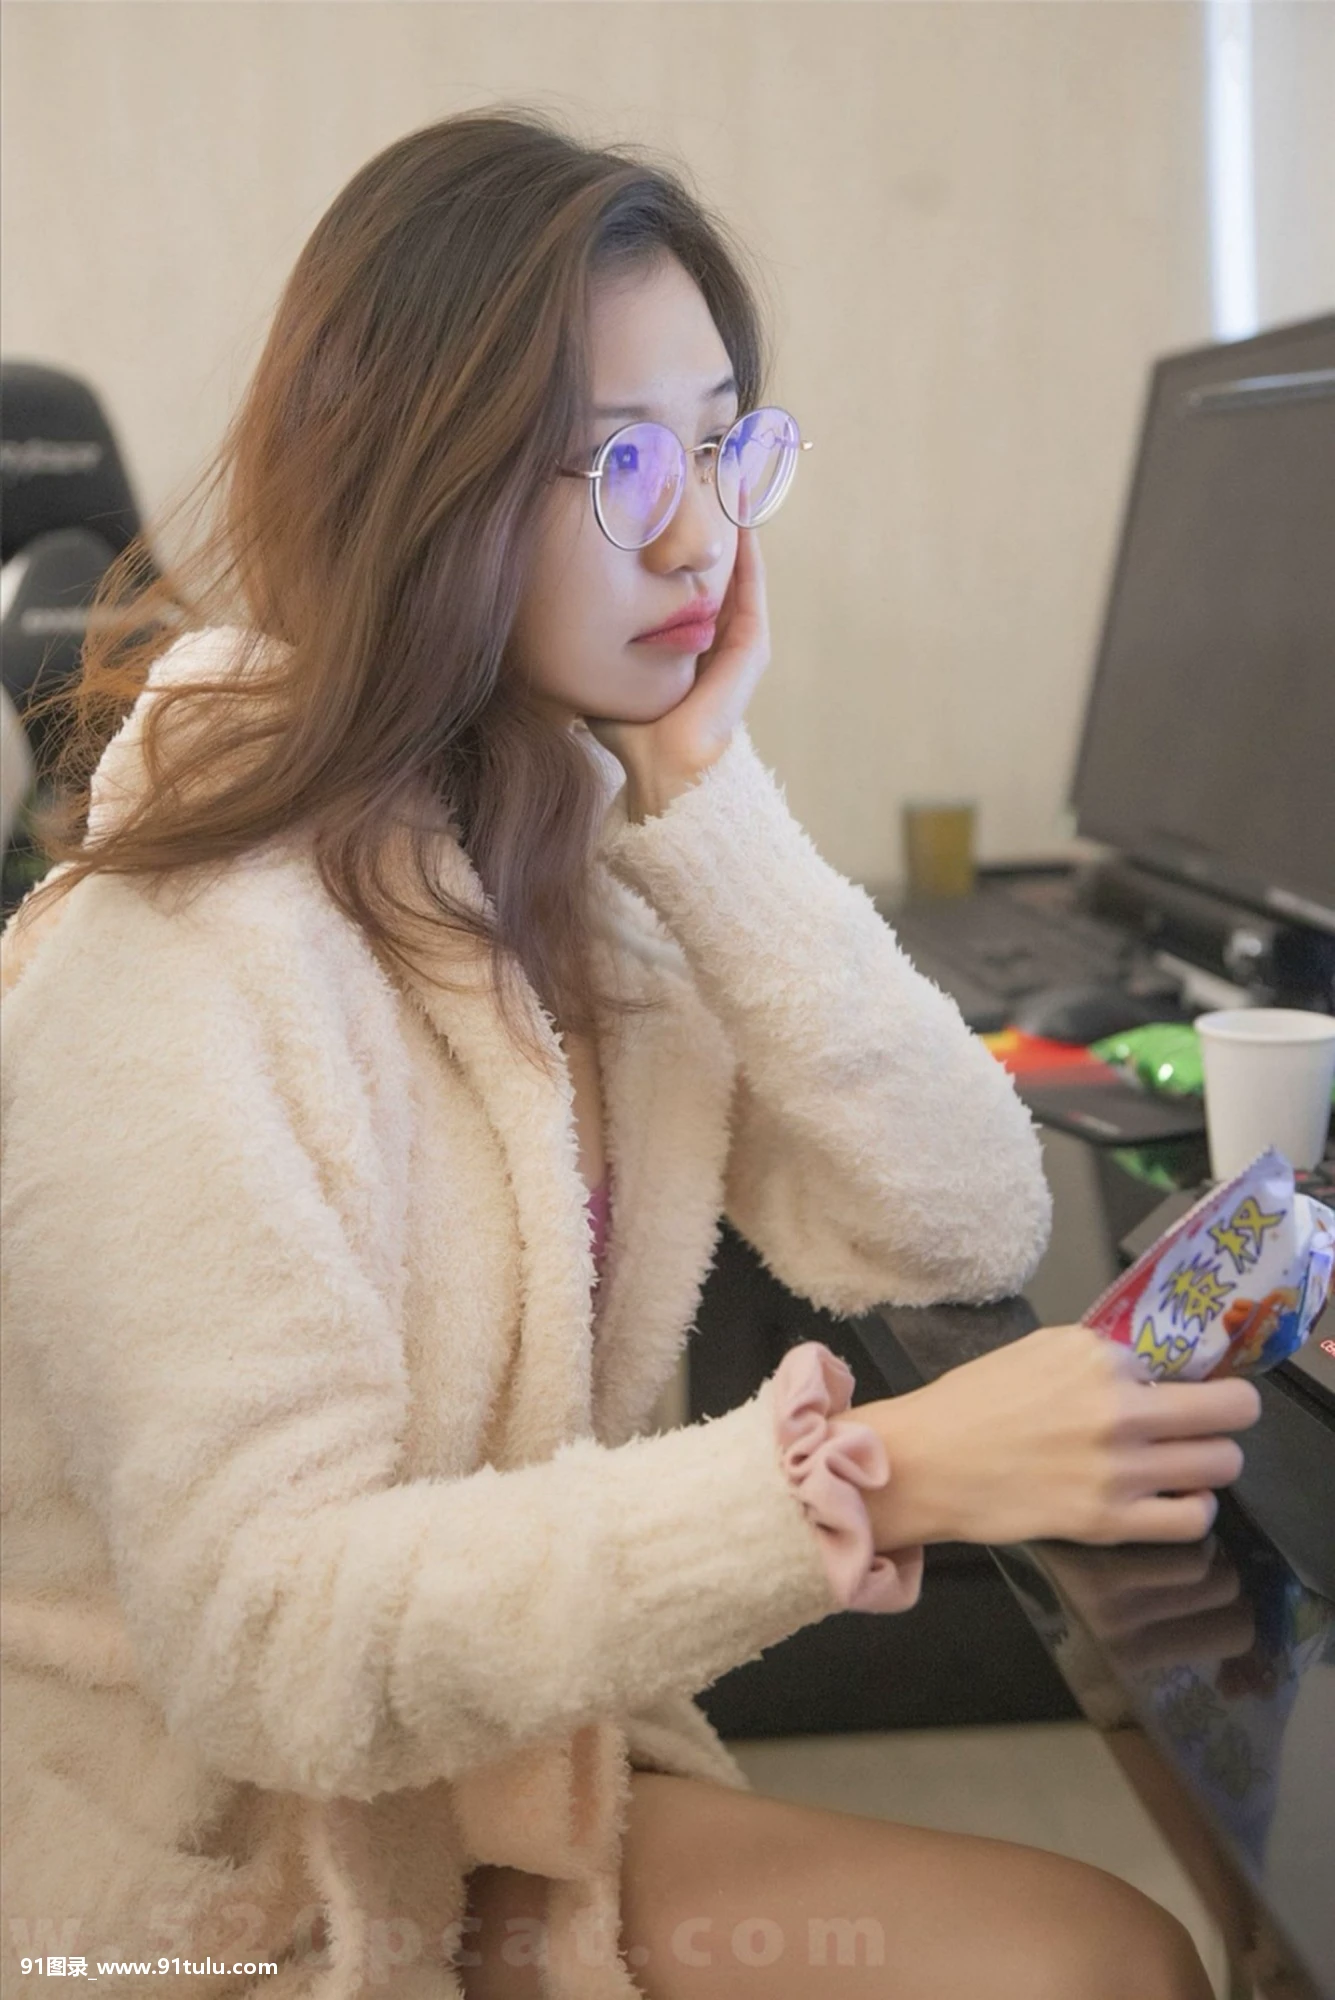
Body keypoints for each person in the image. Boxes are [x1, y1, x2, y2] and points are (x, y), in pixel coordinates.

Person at [0, 110, 1260, 2000]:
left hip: (481, 1796)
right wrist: (872, 1480)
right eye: (618, 463)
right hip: (199, 1871)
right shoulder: (181, 951)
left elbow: (954, 1218)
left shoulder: (573, 864)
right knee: (1092, 1966)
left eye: (722, 444)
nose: (698, 532)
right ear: (413, 486)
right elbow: (259, 1646)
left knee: (1102, 1958)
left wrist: (704, 784)